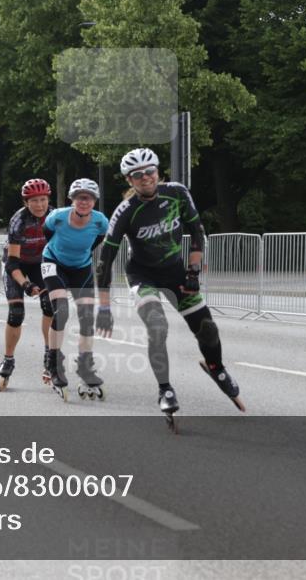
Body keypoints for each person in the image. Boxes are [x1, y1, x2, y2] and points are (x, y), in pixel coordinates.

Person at [96, 148, 245, 429]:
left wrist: (193, 271)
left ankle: (217, 368)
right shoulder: (125, 211)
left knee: (208, 329)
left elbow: (197, 230)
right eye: (137, 175)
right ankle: (164, 388)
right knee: (157, 326)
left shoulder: (176, 192)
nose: (145, 178)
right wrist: (104, 307)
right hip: (143, 275)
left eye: (149, 172)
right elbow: (105, 260)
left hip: (176, 271)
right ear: (129, 181)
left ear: (158, 171)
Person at [41, 178, 109, 400]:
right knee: (61, 311)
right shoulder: (58, 217)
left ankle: (85, 366)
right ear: (72, 200)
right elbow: (47, 234)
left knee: (87, 318)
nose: (84, 202)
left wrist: (79, 257)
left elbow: (96, 242)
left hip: (80, 268)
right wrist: (60, 253)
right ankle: (54, 364)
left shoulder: (100, 222)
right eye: (80, 198)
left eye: (88, 198)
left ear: (94, 201)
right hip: (53, 262)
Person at [0, 179, 55, 391]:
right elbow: (12, 263)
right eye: (34, 201)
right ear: (26, 202)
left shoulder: (55, 216)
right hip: (17, 265)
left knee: (51, 306)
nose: (40, 205)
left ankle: (50, 355)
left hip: (42, 264)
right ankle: (8, 359)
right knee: (16, 314)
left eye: (43, 200)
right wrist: (26, 284)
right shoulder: (18, 221)